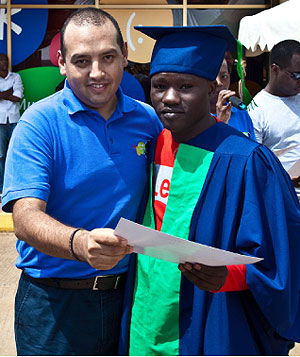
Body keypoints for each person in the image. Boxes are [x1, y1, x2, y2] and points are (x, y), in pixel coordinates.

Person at [118, 25, 300, 356]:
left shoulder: (246, 160)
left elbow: (282, 254)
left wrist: (230, 275)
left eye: (185, 86)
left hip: (213, 314)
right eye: (159, 86)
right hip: (147, 308)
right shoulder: (153, 145)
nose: (169, 97)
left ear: (212, 87)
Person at [2, 8, 162, 356]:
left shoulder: (147, 120)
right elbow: (26, 218)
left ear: (124, 56)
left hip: (130, 296)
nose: (97, 73)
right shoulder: (38, 124)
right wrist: (80, 243)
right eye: (81, 61)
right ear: (61, 63)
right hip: (53, 307)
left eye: (108, 57)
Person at [248, 40, 300, 199]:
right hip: (283, 201)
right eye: (296, 75)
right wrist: (285, 180)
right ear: (275, 70)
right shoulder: (257, 112)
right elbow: (252, 166)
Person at [210, 52, 256, 140]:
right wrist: (221, 123)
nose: (219, 83)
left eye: (224, 76)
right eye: (212, 77)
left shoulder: (241, 113)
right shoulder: (195, 118)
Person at [0, 53, 23, 193]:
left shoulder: (16, 77)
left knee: (15, 153)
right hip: (0, 121)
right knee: (1, 155)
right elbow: (12, 94)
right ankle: (2, 187)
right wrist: (10, 92)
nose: (4, 62)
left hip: (14, 119)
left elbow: (17, 97)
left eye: (6, 60)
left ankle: (15, 185)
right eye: (1, 59)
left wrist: (3, 94)